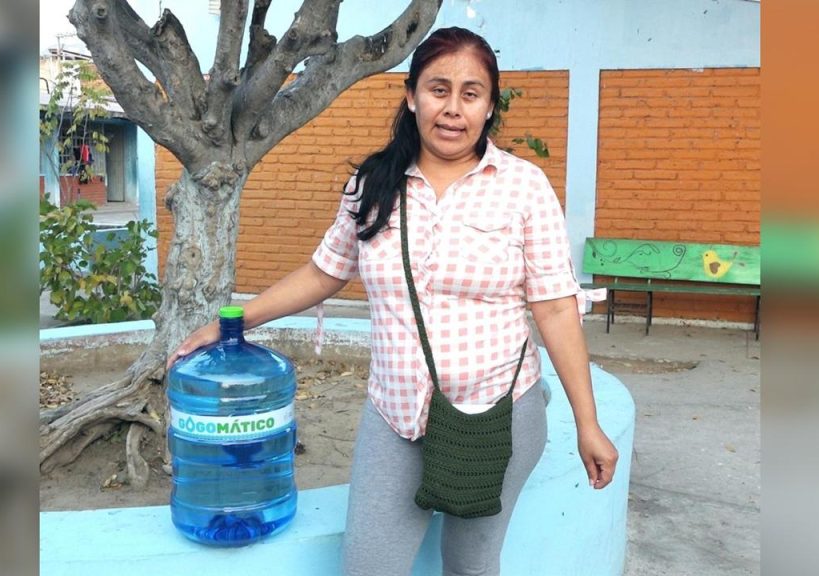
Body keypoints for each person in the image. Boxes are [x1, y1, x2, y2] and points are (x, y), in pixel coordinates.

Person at [167, 26, 618, 576]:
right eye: (438, 90)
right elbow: (325, 271)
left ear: (489, 106)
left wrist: (588, 423)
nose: (452, 109)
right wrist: (232, 323)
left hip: (496, 415)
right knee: (368, 566)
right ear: (411, 96)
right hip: (396, 414)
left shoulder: (523, 187)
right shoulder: (374, 184)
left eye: (471, 94)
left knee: (471, 564)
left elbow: (555, 307)